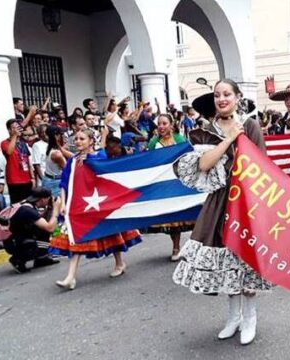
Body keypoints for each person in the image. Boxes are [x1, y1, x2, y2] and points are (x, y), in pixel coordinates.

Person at [172, 79, 273, 346]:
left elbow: (262, 164)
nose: (221, 99)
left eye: (227, 94)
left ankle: (250, 317)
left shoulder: (250, 126)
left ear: (237, 97)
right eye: (217, 95)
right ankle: (233, 317)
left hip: (246, 200)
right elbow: (204, 164)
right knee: (227, 258)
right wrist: (228, 138)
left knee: (245, 257)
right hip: (219, 201)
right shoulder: (208, 129)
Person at [50, 127, 142, 289]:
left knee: (111, 233)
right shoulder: (72, 161)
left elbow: (106, 175)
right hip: (80, 205)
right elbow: (65, 184)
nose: (78, 142)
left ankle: (119, 263)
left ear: (91, 141)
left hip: (100, 204)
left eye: (82, 139)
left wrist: (90, 161)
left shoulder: (100, 156)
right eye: (76, 139)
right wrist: (64, 203)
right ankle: (70, 277)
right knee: (76, 237)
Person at [146, 114, 193, 261]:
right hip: (164, 184)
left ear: (171, 125)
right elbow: (148, 161)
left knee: (187, 215)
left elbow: (188, 157)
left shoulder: (179, 140)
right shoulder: (154, 142)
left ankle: (196, 245)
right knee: (173, 218)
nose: (161, 126)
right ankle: (176, 247)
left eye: (164, 123)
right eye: (159, 124)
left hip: (178, 181)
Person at [6, 187, 60, 273]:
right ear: (43, 199)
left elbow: (39, 219)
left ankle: (42, 258)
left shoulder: (26, 204)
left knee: (43, 229)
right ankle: (17, 260)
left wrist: (49, 209)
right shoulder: (27, 210)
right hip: (15, 243)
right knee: (44, 230)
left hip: (15, 238)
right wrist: (56, 210)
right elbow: (50, 228)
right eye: (49, 199)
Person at [2, 119, 34, 203]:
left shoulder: (23, 142)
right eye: (14, 128)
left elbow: (28, 160)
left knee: (28, 203)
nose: (17, 129)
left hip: (27, 178)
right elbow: (9, 152)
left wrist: (32, 177)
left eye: (18, 127)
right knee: (16, 205)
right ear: (9, 130)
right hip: (14, 180)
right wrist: (15, 136)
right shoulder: (4, 143)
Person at [42, 126, 68, 197]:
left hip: (48, 179)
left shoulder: (48, 147)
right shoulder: (57, 154)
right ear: (57, 136)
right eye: (61, 134)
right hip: (55, 182)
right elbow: (66, 168)